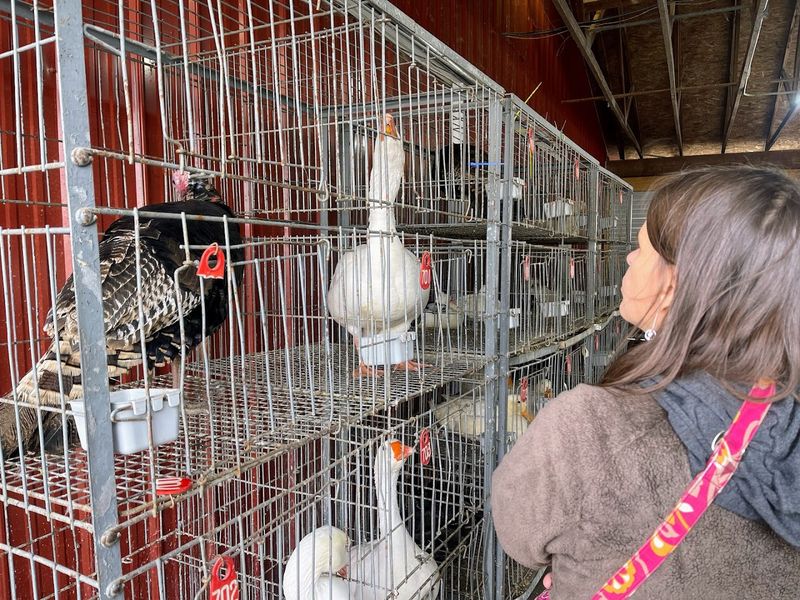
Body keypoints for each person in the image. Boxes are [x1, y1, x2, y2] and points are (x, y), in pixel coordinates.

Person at [492, 166, 800, 599]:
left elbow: (518, 534)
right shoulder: (787, 421)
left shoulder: (589, 427)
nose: (630, 258)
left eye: (640, 248)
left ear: (675, 283)